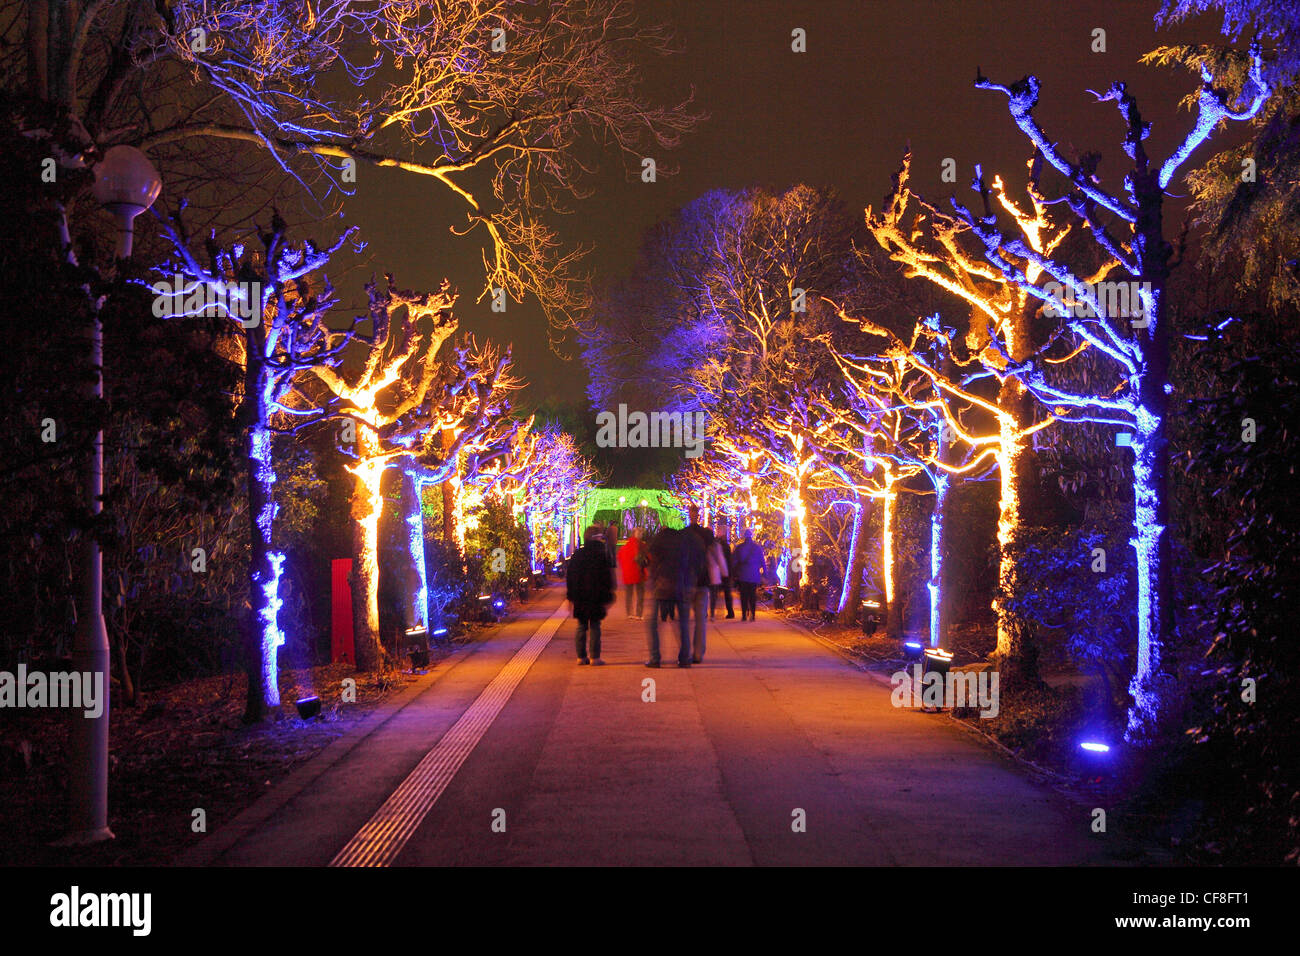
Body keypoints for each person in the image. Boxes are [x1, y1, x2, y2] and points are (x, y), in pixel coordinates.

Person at [645, 525, 700, 668]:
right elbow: (691, 564)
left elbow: (651, 564)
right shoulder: (682, 543)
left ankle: (655, 657)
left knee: (652, 623)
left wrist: (653, 581)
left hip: (661, 587)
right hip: (680, 586)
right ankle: (684, 658)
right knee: (683, 623)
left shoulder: (658, 542)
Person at [566, 525, 615, 665]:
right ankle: (595, 656)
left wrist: (570, 596)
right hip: (596, 596)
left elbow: (571, 577)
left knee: (581, 626)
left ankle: (581, 657)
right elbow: (606, 578)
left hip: (580, 596)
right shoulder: (602, 555)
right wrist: (609, 596)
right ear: (597, 537)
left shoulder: (578, 554)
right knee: (595, 626)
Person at [684, 505, 713, 662]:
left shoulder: (684, 534)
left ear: (690, 515)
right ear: (699, 515)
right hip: (702, 580)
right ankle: (698, 653)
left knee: (685, 618)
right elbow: (713, 555)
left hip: (688, 580)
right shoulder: (706, 535)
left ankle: (686, 652)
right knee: (700, 619)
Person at [731, 526, 767, 621]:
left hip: (743, 575)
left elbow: (734, 561)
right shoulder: (757, 548)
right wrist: (765, 574)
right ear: (751, 536)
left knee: (743, 595)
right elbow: (762, 561)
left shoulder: (739, 548)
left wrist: (734, 573)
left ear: (744, 536)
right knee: (752, 595)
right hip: (754, 575)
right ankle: (753, 614)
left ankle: (744, 614)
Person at [618, 528, 648, 619]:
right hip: (639, 572)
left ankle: (629, 613)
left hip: (628, 573)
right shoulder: (642, 546)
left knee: (629, 594)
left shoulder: (625, 547)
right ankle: (639, 614)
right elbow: (648, 558)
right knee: (640, 593)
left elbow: (620, 557)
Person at [709, 528, 734, 619]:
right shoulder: (725, 547)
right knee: (727, 594)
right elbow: (727, 561)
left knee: (714, 593)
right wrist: (728, 573)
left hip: (716, 572)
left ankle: (711, 612)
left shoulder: (714, 545)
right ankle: (730, 612)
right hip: (725, 572)